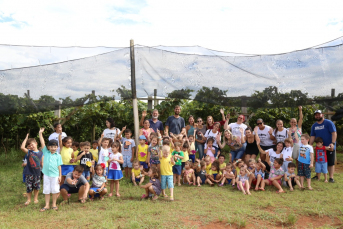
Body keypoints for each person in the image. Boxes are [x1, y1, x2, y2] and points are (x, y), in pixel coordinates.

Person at [309, 110, 337, 183]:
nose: (317, 116)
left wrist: (333, 143)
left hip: (329, 146)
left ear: (322, 115)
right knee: (318, 160)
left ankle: (331, 177)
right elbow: (312, 136)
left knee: (330, 162)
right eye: (316, 115)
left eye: (319, 114)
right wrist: (310, 145)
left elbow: (334, 133)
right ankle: (317, 176)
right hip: (319, 148)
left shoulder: (328, 123)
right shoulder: (314, 125)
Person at [20, 128, 44, 206]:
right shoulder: (29, 152)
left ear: (36, 143)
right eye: (29, 145)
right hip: (28, 173)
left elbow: (43, 145)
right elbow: (22, 147)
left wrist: (40, 133)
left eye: (32, 144)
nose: (31, 146)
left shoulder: (41, 153)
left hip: (37, 173)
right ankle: (28, 200)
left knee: (37, 187)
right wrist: (26, 138)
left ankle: (35, 199)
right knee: (29, 187)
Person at [40, 139, 63, 212]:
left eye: (55, 147)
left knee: (55, 190)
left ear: (57, 147)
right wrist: (40, 134)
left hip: (55, 175)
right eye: (51, 147)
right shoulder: (46, 153)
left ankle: (54, 204)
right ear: (48, 147)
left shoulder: (58, 155)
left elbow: (59, 166)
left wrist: (60, 176)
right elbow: (42, 143)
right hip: (46, 175)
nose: (53, 148)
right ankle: (47, 205)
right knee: (46, 190)